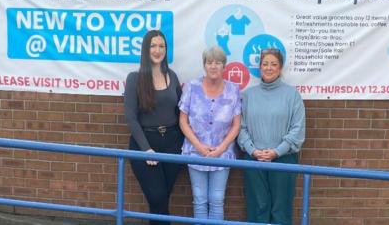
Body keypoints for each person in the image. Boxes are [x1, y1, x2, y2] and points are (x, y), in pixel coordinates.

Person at [237, 48, 305, 225]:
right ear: (259, 67)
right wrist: (253, 151)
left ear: (280, 68)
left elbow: (297, 130)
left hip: (284, 159)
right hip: (254, 160)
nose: (269, 68)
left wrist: (277, 151)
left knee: (280, 210)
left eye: (274, 64)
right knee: (258, 207)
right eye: (265, 64)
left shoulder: (292, 95)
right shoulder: (249, 95)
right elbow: (241, 127)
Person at [123, 30, 184, 225]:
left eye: (162, 46)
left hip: (173, 144)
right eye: (153, 46)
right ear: (145, 49)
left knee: (163, 198)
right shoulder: (135, 78)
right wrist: (146, 150)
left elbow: (182, 111)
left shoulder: (172, 76)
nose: (158, 50)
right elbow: (131, 118)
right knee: (157, 197)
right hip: (146, 145)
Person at [178, 46, 241, 222]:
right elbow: (183, 121)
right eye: (209, 62)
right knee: (199, 200)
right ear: (204, 65)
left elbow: (236, 125)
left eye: (218, 62)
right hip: (195, 152)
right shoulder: (191, 87)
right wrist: (198, 146)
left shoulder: (233, 90)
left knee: (217, 201)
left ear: (224, 66)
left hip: (223, 153)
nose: (213, 66)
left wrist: (221, 148)